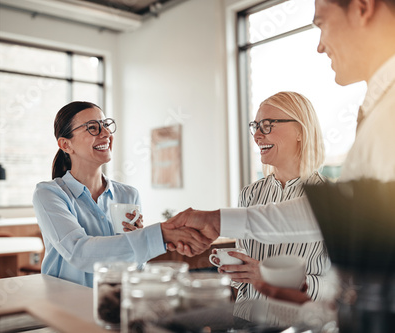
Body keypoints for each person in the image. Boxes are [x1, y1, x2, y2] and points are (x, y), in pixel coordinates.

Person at [164, 0, 395, 303]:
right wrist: (217, 221)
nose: (320, 46)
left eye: (322, 23)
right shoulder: (379, 106)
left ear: (362, 8)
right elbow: (331, 220)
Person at [33, 101, 209, 287]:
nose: (107, 134)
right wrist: (161, 235)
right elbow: (78, 253)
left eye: (106, 126)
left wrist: (139, 240)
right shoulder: (50, 194)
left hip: (115, 302)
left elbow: (135, 266)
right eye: (92, 128)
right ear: (66, 145)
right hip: (66, 307)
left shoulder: (128, 194)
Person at [216, 92, 330, 304]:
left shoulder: (330, 200)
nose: (257, 135)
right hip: (248, 322)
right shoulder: (249, 194)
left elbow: (340, 289)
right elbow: (243, 281)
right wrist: (234, 270)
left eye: (267, 125)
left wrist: (272, 277)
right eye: (255, 126)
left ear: (300, 130)